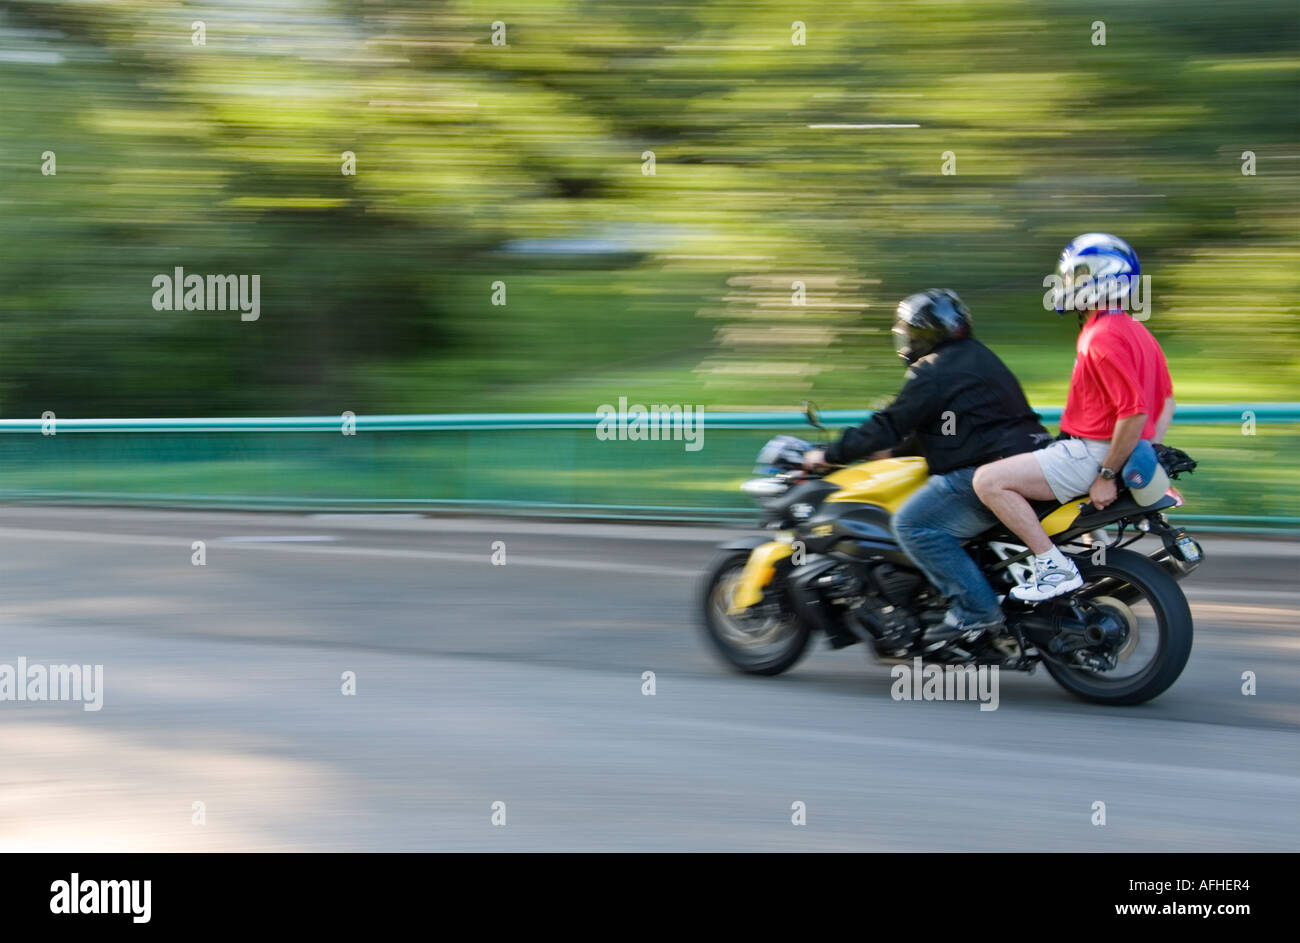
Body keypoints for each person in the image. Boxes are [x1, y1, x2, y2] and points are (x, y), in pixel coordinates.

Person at [803, 289, 1051, 644]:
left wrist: (828, 454)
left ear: (924, 335)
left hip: (985, 473)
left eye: (908, 333)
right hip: (1030, 461)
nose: (905, 340)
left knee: (912, 524)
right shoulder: (980, 357)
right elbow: (954, 421)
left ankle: (975, 611)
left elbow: (889, 424)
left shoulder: (932, 370)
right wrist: (896, 451)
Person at [973, 233, 1175, 602]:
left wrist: (1107, 475)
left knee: (987, 481)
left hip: (1093, 454)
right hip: (1118, 450)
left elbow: (1132, 414)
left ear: (1103, 279)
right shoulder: (1138, 331)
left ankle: (1052, 566)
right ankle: (1085, 591)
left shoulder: (1100, 336)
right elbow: (1165, 403)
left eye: (1078, 276)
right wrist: (1144, 452)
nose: (1069, 284)